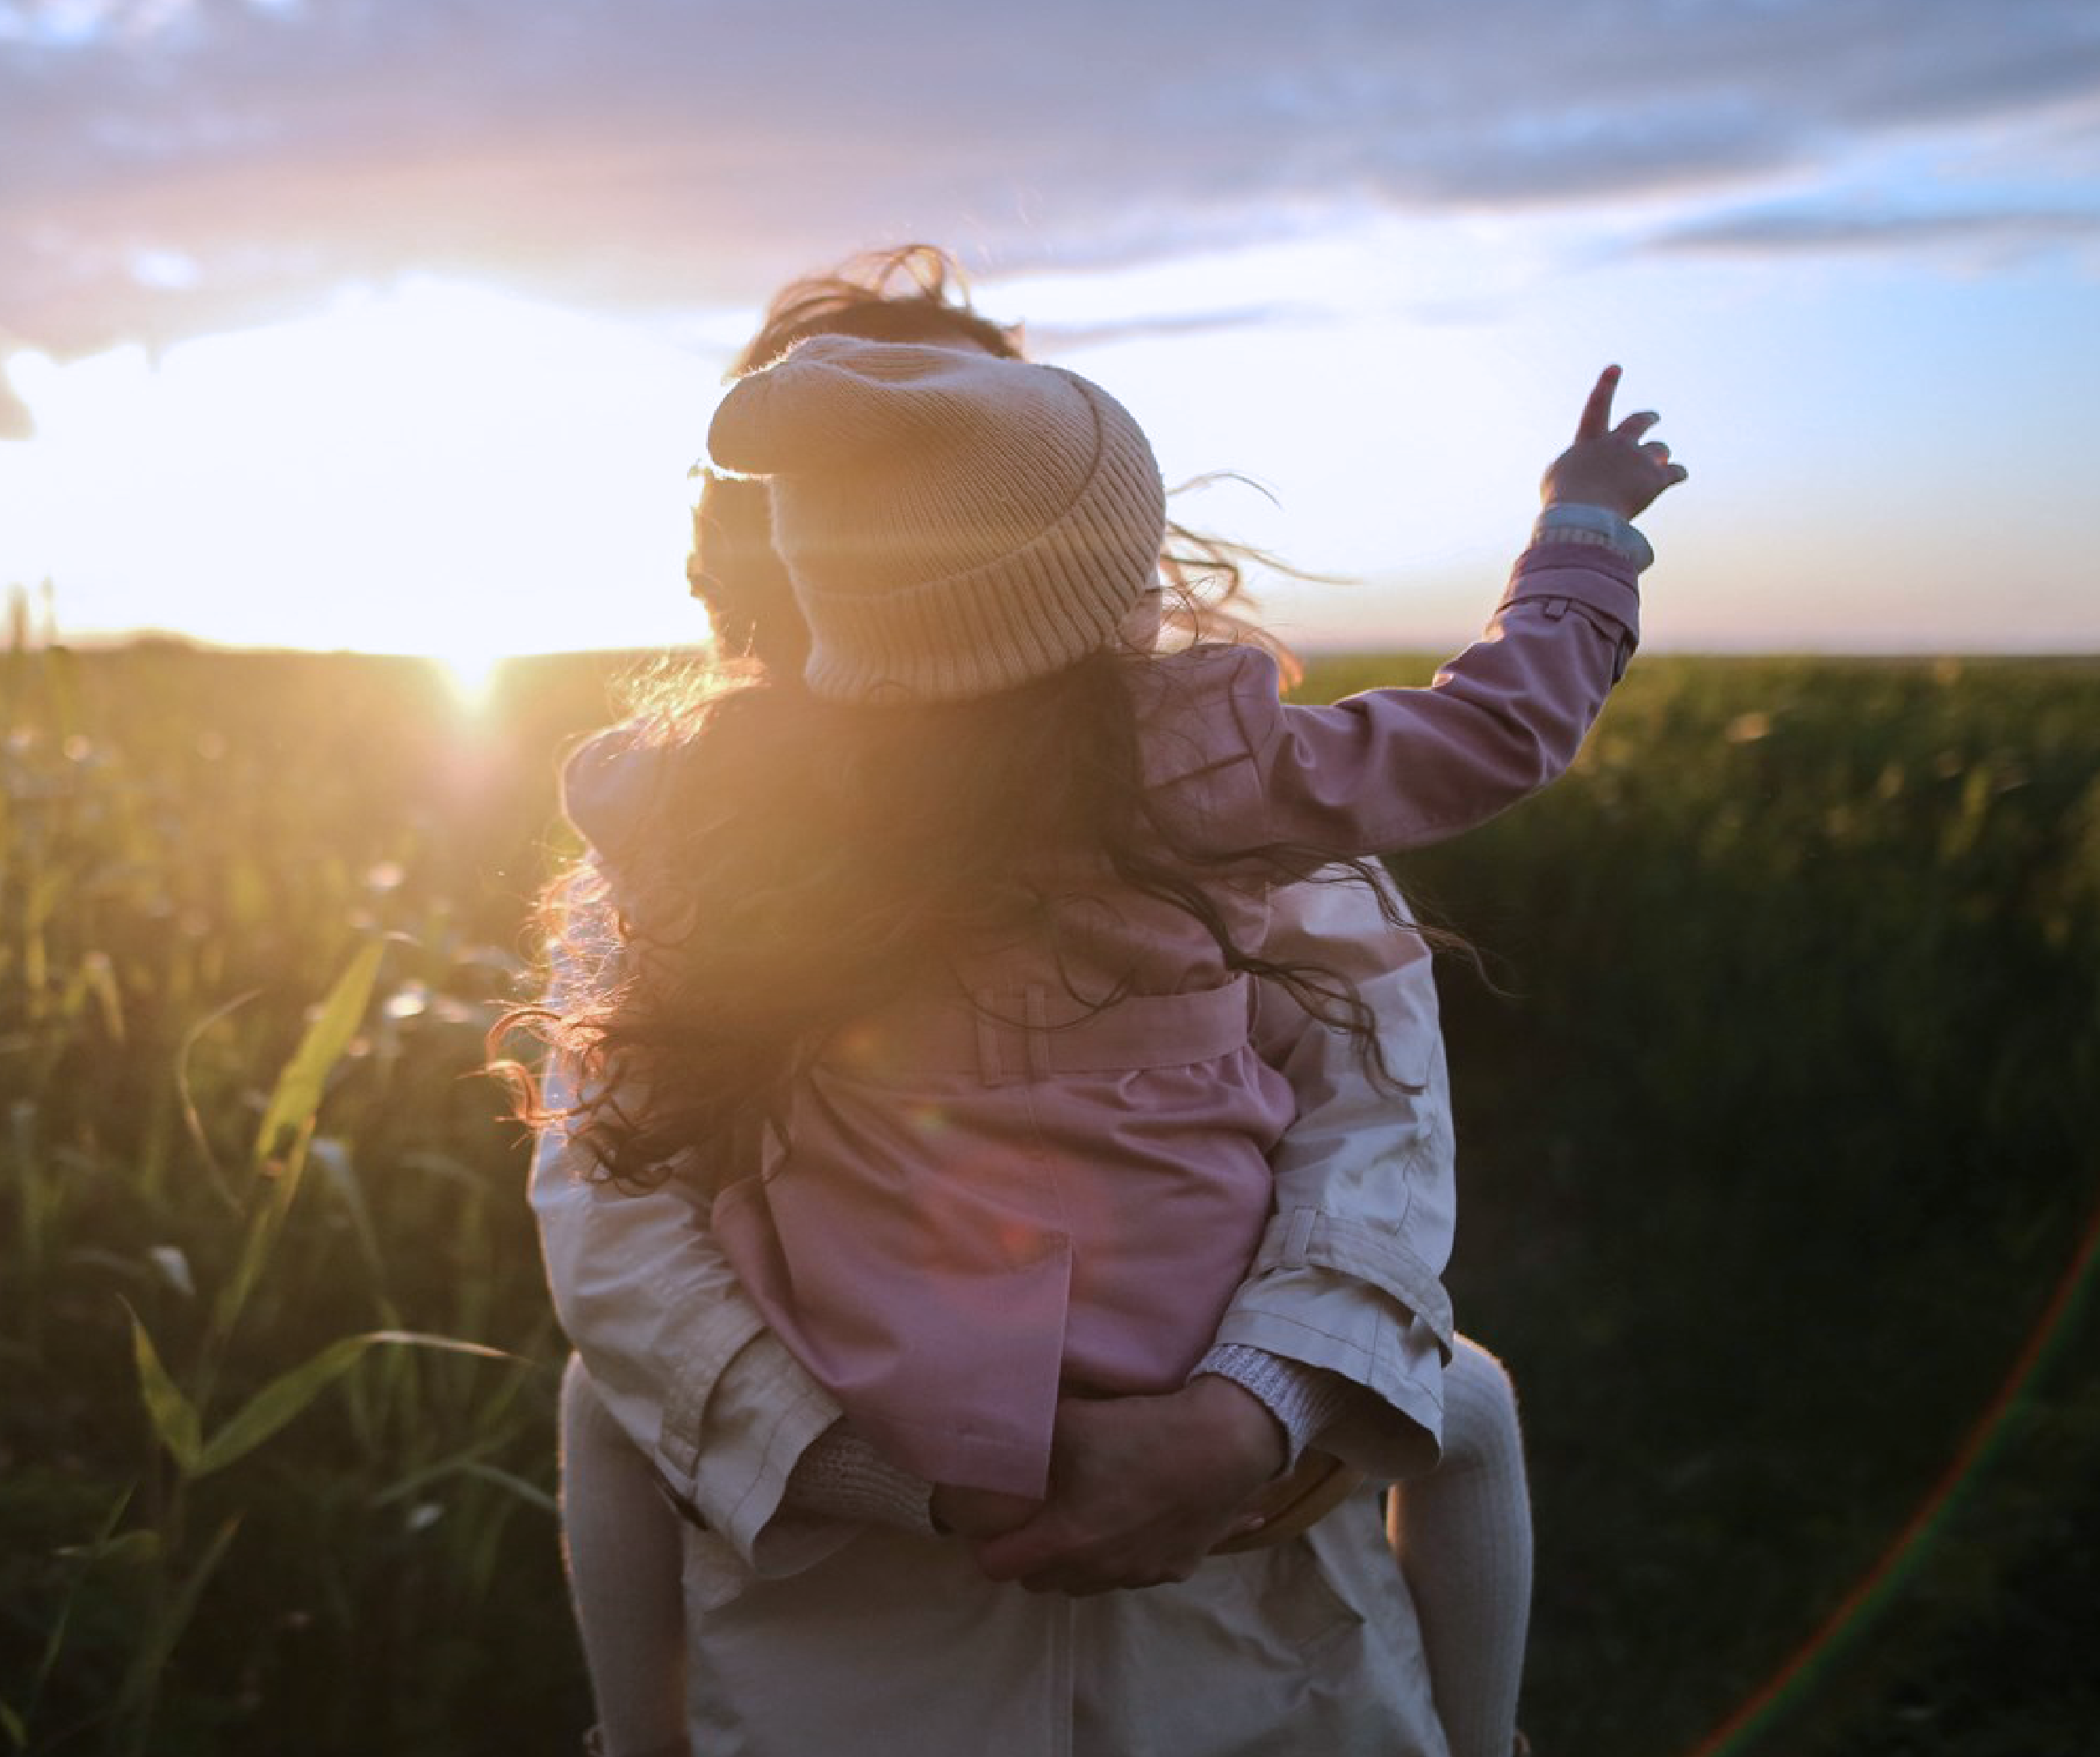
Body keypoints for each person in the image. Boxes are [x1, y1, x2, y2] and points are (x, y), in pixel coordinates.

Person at [518, 251, 1675, 1755]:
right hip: (854, 1651)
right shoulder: (1221, 785)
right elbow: (616, 1220)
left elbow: (1372, 1153)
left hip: (1260, 1647)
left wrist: (1238, 1421)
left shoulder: (703, 817)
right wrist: (1582, 537)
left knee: (602, 1407)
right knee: (1474, 1405)